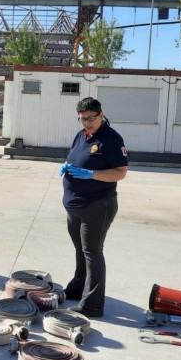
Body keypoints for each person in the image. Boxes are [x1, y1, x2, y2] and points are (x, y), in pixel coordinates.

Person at [59, 97, 128, 318]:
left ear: (101, 114)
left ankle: (92, 305)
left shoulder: (111, 138)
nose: (87, 123)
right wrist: (68, 167)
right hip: (75, 204)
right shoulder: (81, 135)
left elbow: (120, 172)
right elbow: (76, 157)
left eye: (90, 118)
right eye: (82, 119)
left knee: (93, 252)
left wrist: (92, 174)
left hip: (98, 205)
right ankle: (78, 288)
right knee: (80, 250)